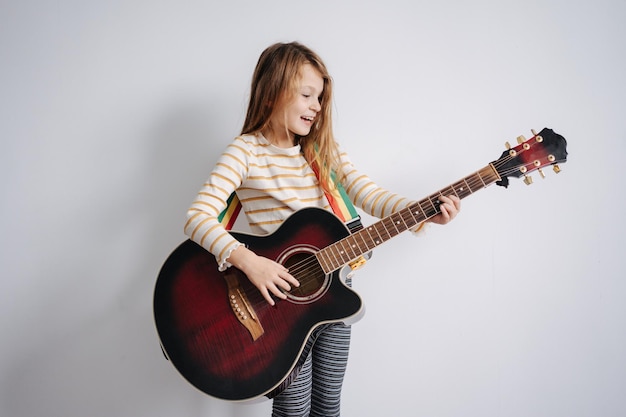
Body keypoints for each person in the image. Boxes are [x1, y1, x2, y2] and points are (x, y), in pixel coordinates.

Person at [184, 41, 461, 417]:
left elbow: (368, 193)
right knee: (293, 410)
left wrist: (421, 212)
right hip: (279, 308)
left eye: (321, 98)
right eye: (307, 95)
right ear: (272, 93)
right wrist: (252, 263)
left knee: (328, 407)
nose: (317, 106)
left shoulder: (321, 150)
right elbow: (197, 217)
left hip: (336, 297)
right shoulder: (245, 152)